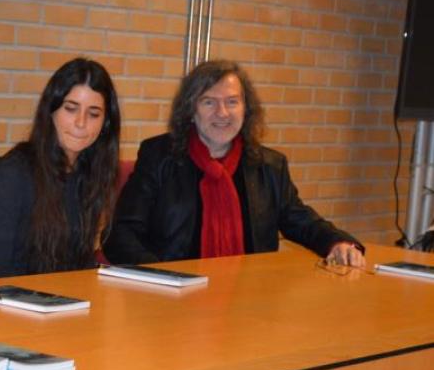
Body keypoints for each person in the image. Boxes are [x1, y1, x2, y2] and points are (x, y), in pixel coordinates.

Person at [105, 60, 366, 267]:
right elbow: (121, 235)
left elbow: (303, 223)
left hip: (249, 301)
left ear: (246, 110)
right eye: (209, 102)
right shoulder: (158, 156)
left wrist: (338, 243)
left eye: (232, 102)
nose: (222, 113)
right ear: (191, 111)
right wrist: (165, 276)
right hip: (172, 302)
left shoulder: (269, 167)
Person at [0, 57, 121, 277]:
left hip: (65, 302)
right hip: (12, 302)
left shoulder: (91, 173)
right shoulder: (12, 175)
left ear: (106, 123)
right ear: (51, 110)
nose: (81, 123)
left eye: (93, 114)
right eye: (71, 109)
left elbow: (79, 266)